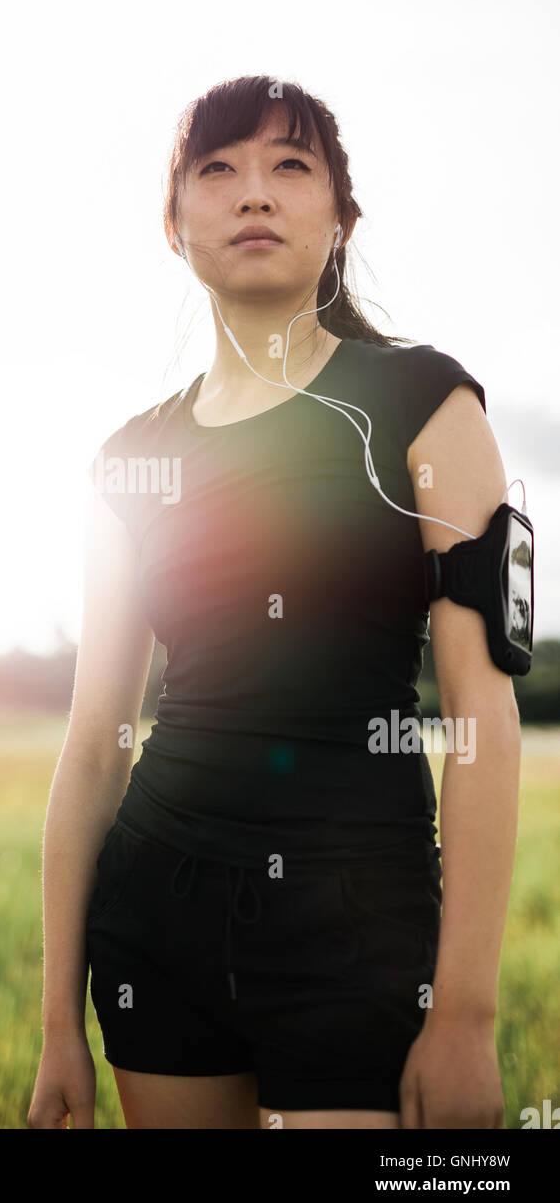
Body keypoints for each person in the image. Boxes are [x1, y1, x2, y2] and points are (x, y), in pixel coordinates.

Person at [27, 75, 519, 1130]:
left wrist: (465, 1014)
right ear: (173, 225)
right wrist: (59, 1026)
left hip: (358, 926)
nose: (253, 192)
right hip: (153, 926)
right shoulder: (127, 460)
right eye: (217, 170)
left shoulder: (423, 402)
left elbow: (480, 713)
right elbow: (92, 746)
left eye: (289, 167)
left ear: (339, 219)